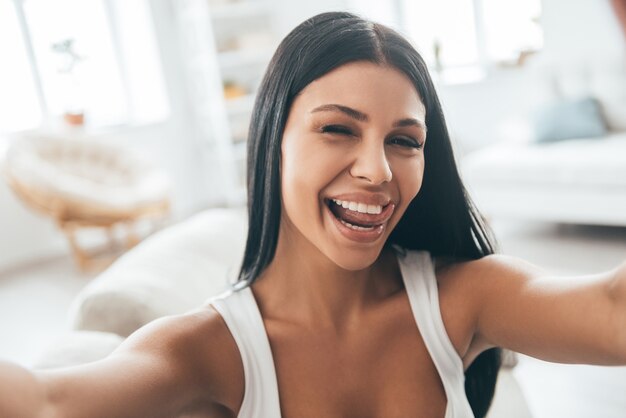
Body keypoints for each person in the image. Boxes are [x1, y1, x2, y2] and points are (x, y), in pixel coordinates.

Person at [2, 11, 626, 418]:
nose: (378, 171)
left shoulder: (464, 297)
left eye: (405, 140)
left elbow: (612, 315)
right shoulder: (209, 351)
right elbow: (44, 403)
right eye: (337, 129)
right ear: (271, 140)